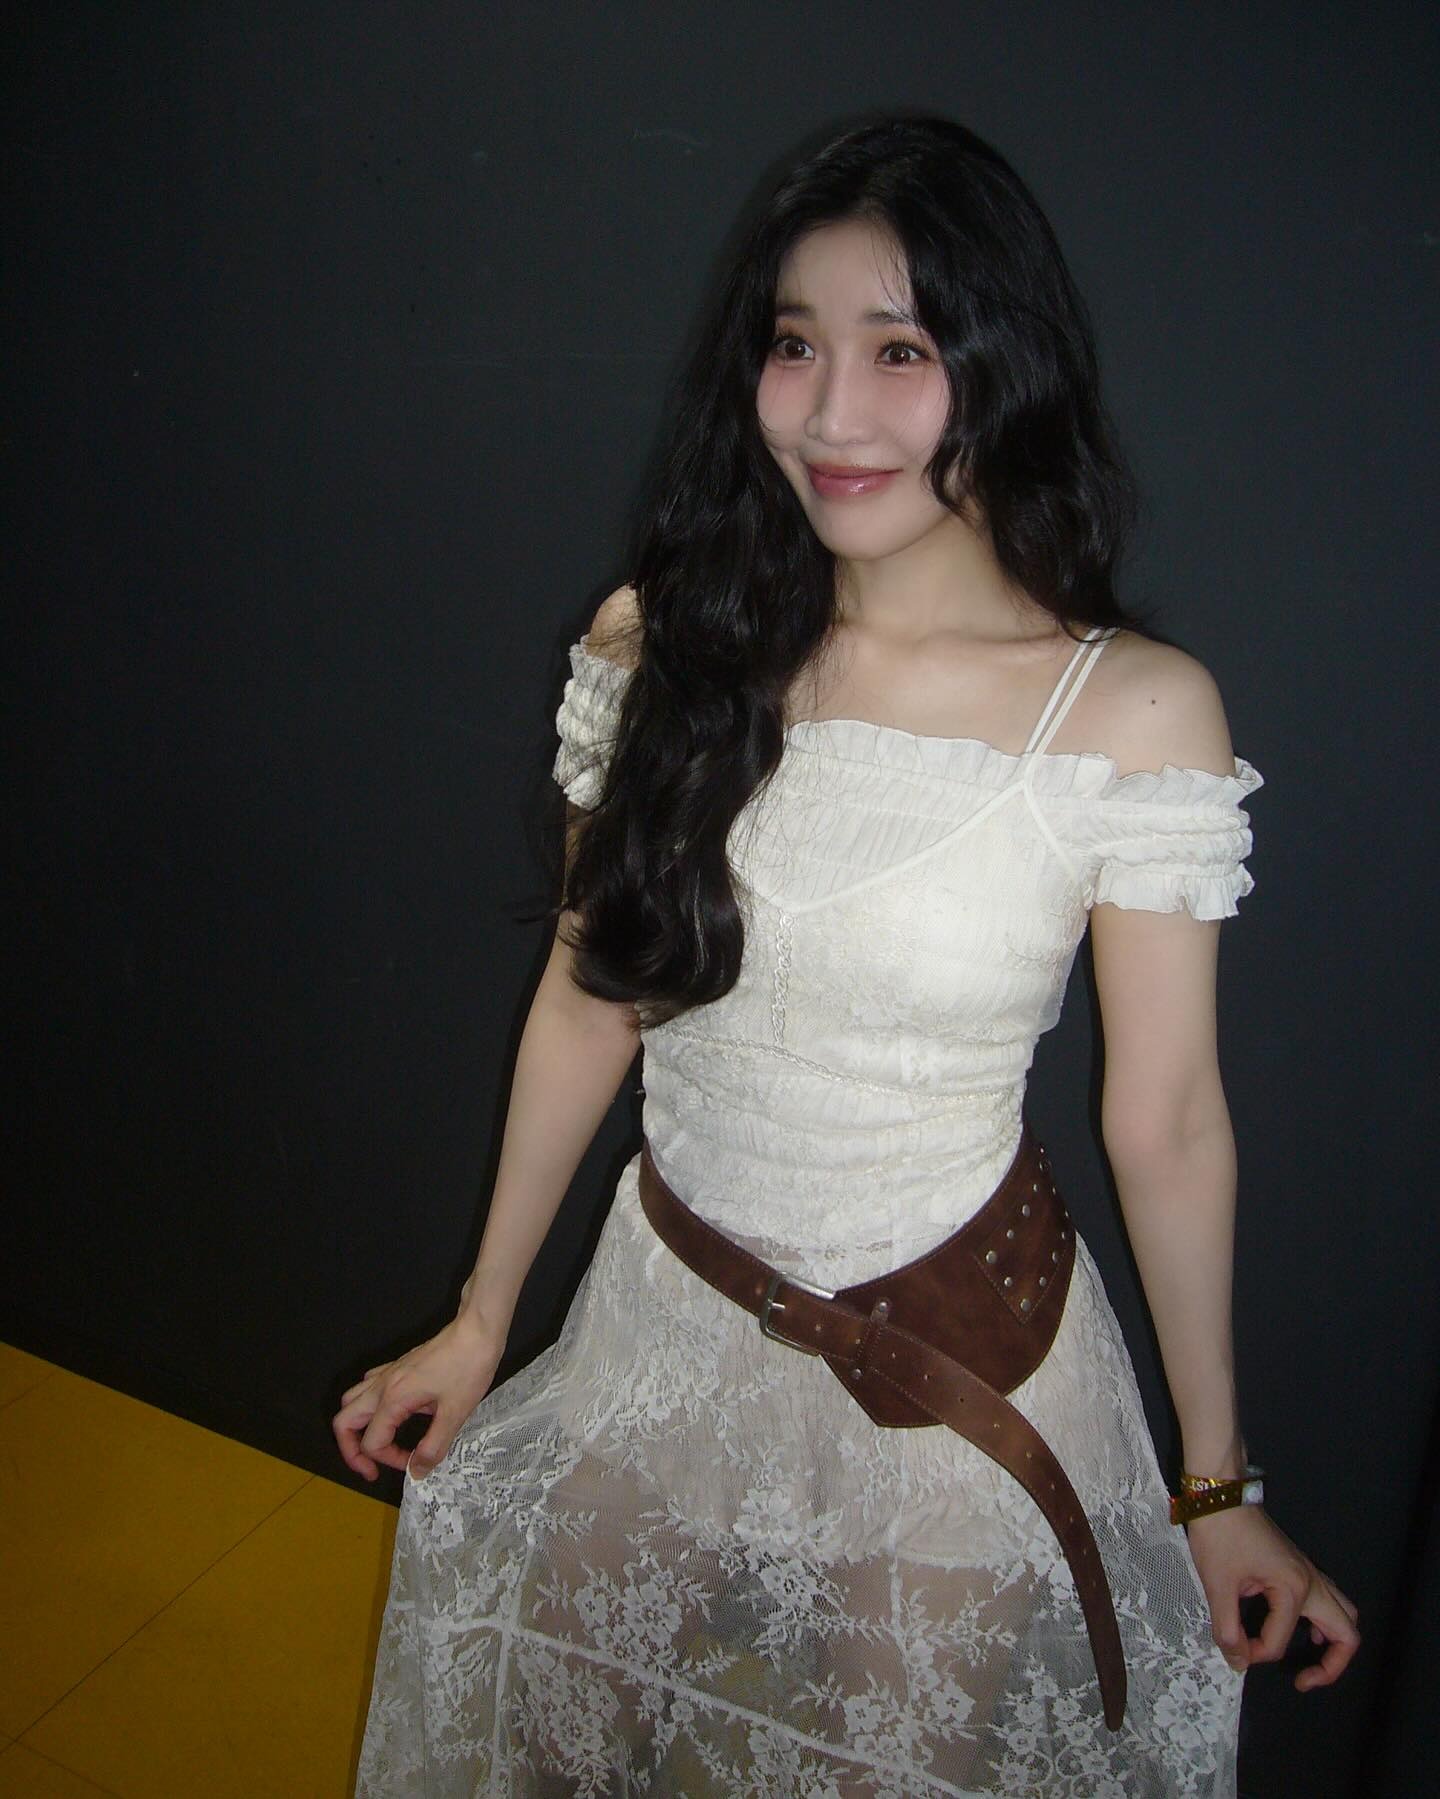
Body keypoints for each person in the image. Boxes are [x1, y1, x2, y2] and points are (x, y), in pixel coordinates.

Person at [335, 113, 1359, 1796]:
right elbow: (594, 997)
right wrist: (479, 1319)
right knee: (555, 1748)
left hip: (955, 1369)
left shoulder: (1127, 711)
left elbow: (1167, 1120)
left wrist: (1217, 1483)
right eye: (795, 344)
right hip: (663, 1323)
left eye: (900, 350)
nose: (827, 415)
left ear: (1006, 368)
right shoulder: (663, 639)